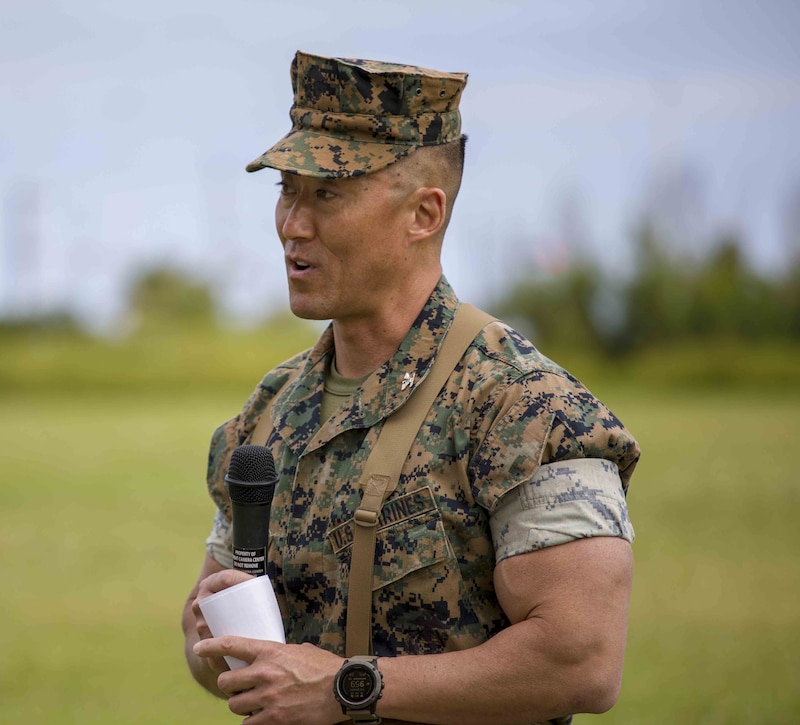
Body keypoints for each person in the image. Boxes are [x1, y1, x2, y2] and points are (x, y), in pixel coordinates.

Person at [182, 50, 640, 725]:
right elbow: (205, 644)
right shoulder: (271, 411)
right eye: (287, 190)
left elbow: (582, 661)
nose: (291, 224)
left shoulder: (526, 406)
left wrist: (345, 687)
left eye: (326, 194)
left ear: (424, 214)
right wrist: (215, 639)